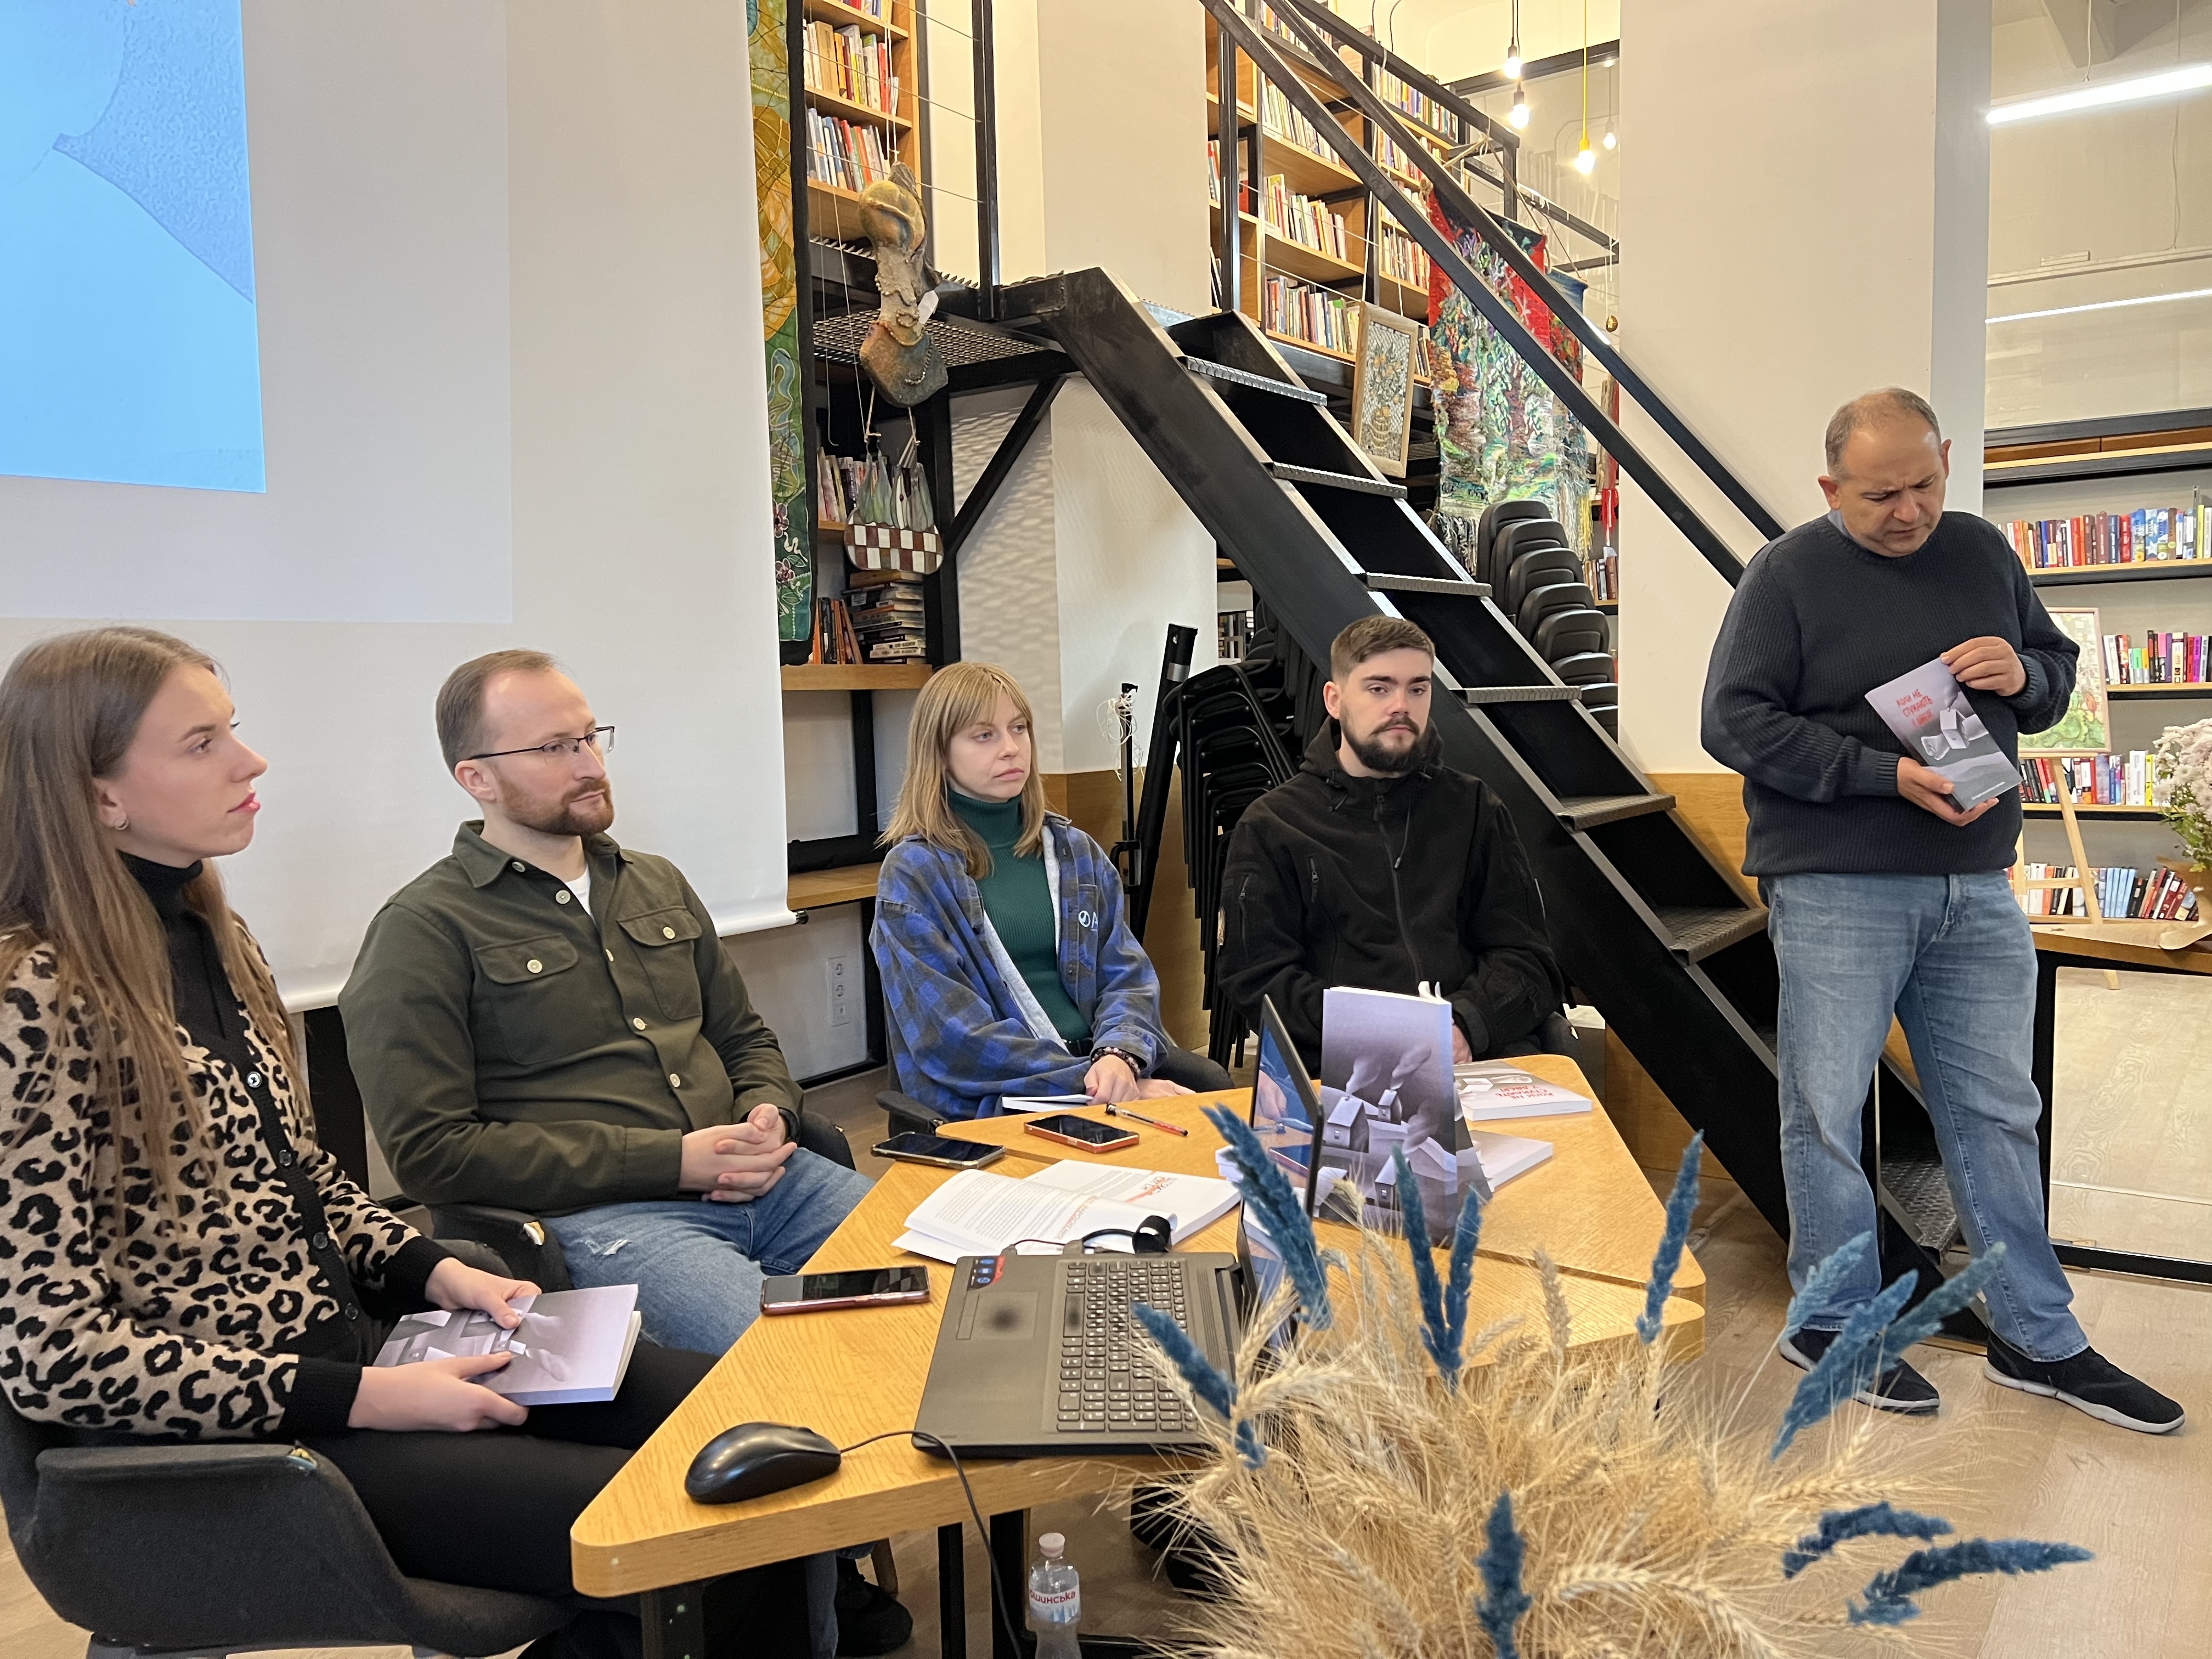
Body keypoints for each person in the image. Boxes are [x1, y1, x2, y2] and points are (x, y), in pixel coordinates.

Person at [0, 628, 812, 1659]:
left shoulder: (215, 937)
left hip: (358, 1358)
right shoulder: (31, 994)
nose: (251, 762)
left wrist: (435, 1270)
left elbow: (303, 1180)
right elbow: (52, 1356)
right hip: (233, 1446)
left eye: (233, 730)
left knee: (756, 1423)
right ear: (100, 794)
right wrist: (367, 1396)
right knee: (694, 1532)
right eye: (203, 744)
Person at [340, 650, 906, 1652]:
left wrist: (768, 1112)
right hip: (609, 1222)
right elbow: (433, 1153)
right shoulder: (424, 928)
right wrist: (671, 1161)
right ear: (476, 777)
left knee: (943, 1298)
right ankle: (809, 1602)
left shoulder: (655, 883)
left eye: (590, 736)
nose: (588, 763)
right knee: (790, 1379)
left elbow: (744, 1037)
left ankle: (836, 1558)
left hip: (767, 1180)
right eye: (553, 747)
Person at [1702, 387, 2183, 1433]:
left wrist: (2027, 671)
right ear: (1830, 487)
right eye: (1879, 494)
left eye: (1924, 483)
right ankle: (1831, 1322)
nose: (1908, 510)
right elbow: (1730, 719)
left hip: (1976, 878)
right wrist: (1879, 774)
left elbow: (2052, 678)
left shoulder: (1981, 552)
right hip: (1835, 881)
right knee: (1826, 1108)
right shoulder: (1784, 574)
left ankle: (2035, 1334)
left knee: (1998, 1109)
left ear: (1947, 461)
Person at [871, 662, 1231, 1119]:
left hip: (1105, 1071)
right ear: (939, 753)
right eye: (984, 735)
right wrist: (1091, 1081)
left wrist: (1119, 1056)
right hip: (1000, 1103)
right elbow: (953, 1040)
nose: (1011, 748)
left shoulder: (1075, 852)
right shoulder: (913, 875)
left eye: (1019, 728)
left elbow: (1127, 977)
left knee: (1221, 1136)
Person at [1216, 615, 1566, 1073]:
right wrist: (1386, 1034)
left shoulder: (1474, 809)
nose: (1401, 706)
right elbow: (1257, 979)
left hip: (1474, 1058)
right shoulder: (1274, 826)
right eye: (1379, 688)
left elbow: (1527, 957)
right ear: (1335, 700)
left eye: (1417, 689)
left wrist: (1465, 1025)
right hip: (1344, 1069)